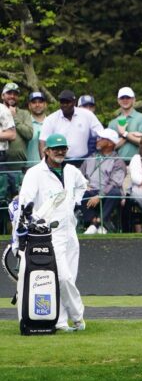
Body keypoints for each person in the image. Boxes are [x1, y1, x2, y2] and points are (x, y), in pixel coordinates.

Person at [18, 133, 89, 331]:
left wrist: (75, 201)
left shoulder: (71, 171)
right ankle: (78, 317)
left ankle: (59, 321)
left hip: (70, 232)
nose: (60, 152)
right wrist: (29, 226)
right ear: (46, 151)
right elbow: (25, 202)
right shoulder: (35, 173)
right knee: (62, 277)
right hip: (48, 235)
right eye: (56, 149)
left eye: (63, 148)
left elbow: (83, 186)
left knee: (69, 278)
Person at [79, 128, 126, 234]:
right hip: (90, 191)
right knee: (78, 192)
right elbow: (79, 175)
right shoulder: (90, 158)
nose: (97, 140)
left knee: (115, 192)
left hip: (107, 194)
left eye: (101, 138)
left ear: (109, 143)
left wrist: (100, 195)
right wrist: (84, 184)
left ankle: (96, 224)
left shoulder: (118, 162)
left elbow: (114, 183)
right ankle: (96, 222)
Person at [39, 90, 103, 164]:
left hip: (85, 160)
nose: (65, 105)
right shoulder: (51, 119)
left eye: (68, 102)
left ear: (74, 102)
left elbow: (101, 133)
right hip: (60, 160)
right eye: (62, 102)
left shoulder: (87, 115)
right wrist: (44, 162)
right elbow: (42, 141)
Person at [107, 86, 142, 159]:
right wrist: (128, 136)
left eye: (128, 97)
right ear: (118, 101)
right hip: (116, 164)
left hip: (139, 162)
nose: (125, 100)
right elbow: (109, 147)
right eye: (122, 98)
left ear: (134, 100)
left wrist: (124, 133)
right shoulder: (112, 123)